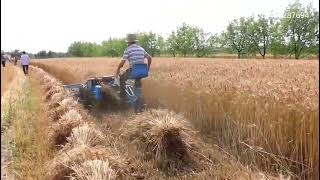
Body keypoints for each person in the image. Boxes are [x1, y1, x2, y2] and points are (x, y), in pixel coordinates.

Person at [115, 33, 152, 102]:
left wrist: (117, 69)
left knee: (122, 78)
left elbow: (122, 63)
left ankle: (123, 96)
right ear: (135, 41)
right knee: (137, 81)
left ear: (128, 42)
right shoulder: (141, 49)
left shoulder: (128, 49)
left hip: (133, 70)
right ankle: (138, 97)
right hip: (142, 71)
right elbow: (149, 58)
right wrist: (148, 68)